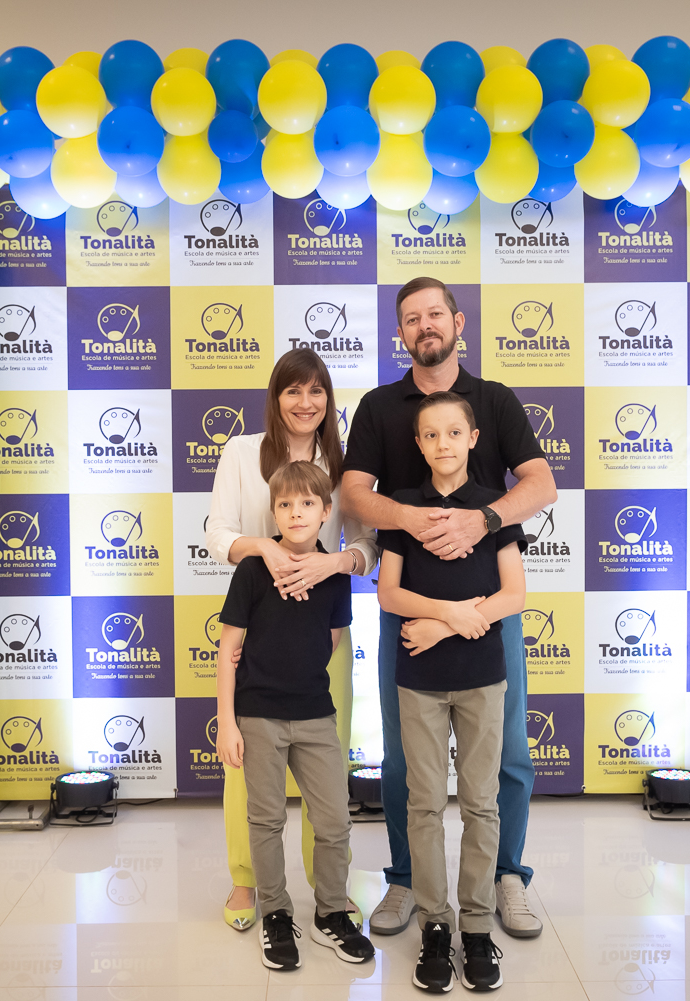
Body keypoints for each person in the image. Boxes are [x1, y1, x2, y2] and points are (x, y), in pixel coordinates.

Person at [341, 277, 557, 940]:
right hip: (408, 609)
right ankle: (408, 877)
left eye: (435, 313)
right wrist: (412, 517)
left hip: (490, 610)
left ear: (458, 323)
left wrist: (482, 519)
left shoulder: (494, 399)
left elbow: (542, 483)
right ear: (400, 333)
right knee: (405, 759)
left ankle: (506, 875)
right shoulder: (379, 406)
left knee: (508, 754)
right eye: (412, 318)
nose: (425, 325)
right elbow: (353, 495)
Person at [206, 348, 378, 931]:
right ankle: (245, 879)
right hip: (257, 626)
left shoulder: (345, 465)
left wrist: (335, 563)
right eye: (293, 390)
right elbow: (217, 533)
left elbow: (367, 545)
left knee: (323, 764)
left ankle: (329, 886)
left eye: (316, 391)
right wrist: (266, 548)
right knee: (246, 766)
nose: (306, 402)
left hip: (324, 632)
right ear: (275, 397)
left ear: (328, 399)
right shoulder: (241, 452)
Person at [379, 392, 526, 992]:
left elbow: (514, 594)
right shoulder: (403, 508)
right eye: (431, 435)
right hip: (419, 680)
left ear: (473, 439)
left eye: (454, 433)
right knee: (423, 804)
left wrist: (448, 625)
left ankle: (477, 927)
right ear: (419, 444)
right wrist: (447, 612)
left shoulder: (495, 510)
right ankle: (436, 925)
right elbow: (389, 593)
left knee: (481, 803)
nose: (443, 443)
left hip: (482, 676)